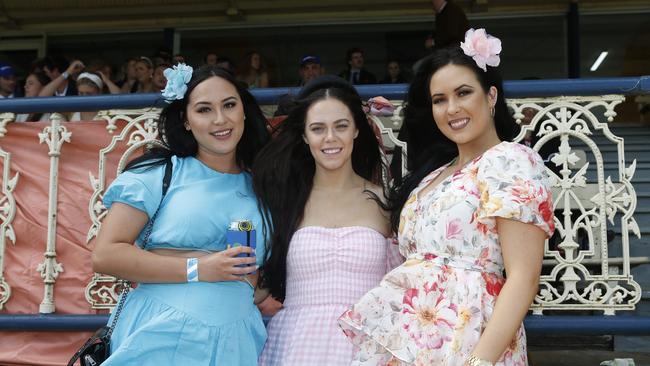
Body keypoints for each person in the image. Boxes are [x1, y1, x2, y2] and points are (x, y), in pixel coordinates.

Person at [339, 29, 555, 365]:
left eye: (463, 93)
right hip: (413, 342)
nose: (451, 108)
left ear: (491, 95)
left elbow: (524, 278)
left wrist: (479, 361)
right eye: (439, 99)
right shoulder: (433, 175)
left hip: (473, 344)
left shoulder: (510, 161)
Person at [91, 65, 271, 365]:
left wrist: (252, 284)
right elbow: (106, 255)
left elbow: (263, 272)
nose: (220, 119)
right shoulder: (160, 173)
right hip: (162, 336)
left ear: (243, 111)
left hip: (235, 342)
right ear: (186, 121)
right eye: (204, 109)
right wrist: (199, 268)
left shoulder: (265, 184)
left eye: (229, 105)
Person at [254, 76, 403, 365]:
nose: (330, 138)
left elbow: (401, 286)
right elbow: (255, 278)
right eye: (318, 129)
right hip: (296, 346)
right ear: (304, 136)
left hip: (370, 345)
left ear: (357, 130)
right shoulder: (283, 201)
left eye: (341, 126)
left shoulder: (386, 201)